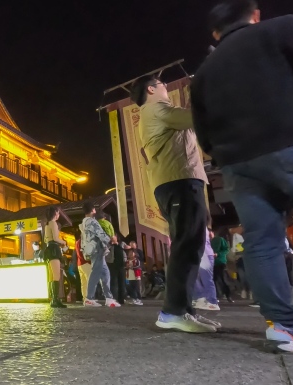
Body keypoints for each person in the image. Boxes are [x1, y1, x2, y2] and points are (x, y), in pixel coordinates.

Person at [190, 0, 293, 350]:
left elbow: (202, 130)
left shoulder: (205, 72)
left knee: (263, 242)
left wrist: (226, 155)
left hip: (239, 163)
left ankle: (285, 326)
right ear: (255, 15)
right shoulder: (283, 27)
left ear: (215, 33)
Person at [130, 74, 217, 333]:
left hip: (178, 179)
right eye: (162, 84)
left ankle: (184, 310)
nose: (166, 87)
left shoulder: (156, 111)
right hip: (179, 180)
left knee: (191, 244)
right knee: (186, 245)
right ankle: (173, 312)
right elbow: (193, 118)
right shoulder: (157, 108)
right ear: (150, 89)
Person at [80, 202, 119, 308]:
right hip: (97, 249)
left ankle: (109, 298)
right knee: (96, 272)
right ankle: (89, 298)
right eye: (94, 210)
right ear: (93, 210)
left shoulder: (83, 222)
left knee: (105, 273)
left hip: (90, 250)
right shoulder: (93, 221)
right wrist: (111, 240)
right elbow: (101, 234)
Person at [43, 207, 68, 308]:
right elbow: (56, 238)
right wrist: (64, 242)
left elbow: (46, 240)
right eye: (58, 213)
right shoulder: (53, 223)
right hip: (54, 249)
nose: (59, 215)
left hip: (49, 249)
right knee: (56, 275)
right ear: (55, 213)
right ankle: (55, 300)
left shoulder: (47, 224)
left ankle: (53, 299)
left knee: (51, 275)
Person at [192, 228, 220, 311]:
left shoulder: (199, 225)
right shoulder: (195, 224)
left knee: (206, 279)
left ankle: (212, 302)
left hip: (205, 255)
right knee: (192, 276)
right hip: (198, 255)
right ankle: (200, 298)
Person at [212, 228, 232, 302]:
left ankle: (228, 295)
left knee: (223, 279)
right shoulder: (206, 241)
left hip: (220, 262)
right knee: (214, 280)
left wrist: (218, 254)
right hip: (211, 263)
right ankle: (217, 295)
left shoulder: (219, 239)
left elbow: (226, 249)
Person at [109, 235, 127, 305]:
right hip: (113, 266)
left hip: (121, 266)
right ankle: (114, 299)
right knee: (113, 283)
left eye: (114, 237)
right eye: (111, 237)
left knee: (122, 283)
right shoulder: (109, 246)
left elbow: (126, 249)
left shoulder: (121, 245)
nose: (112, 238)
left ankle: (121, 299)